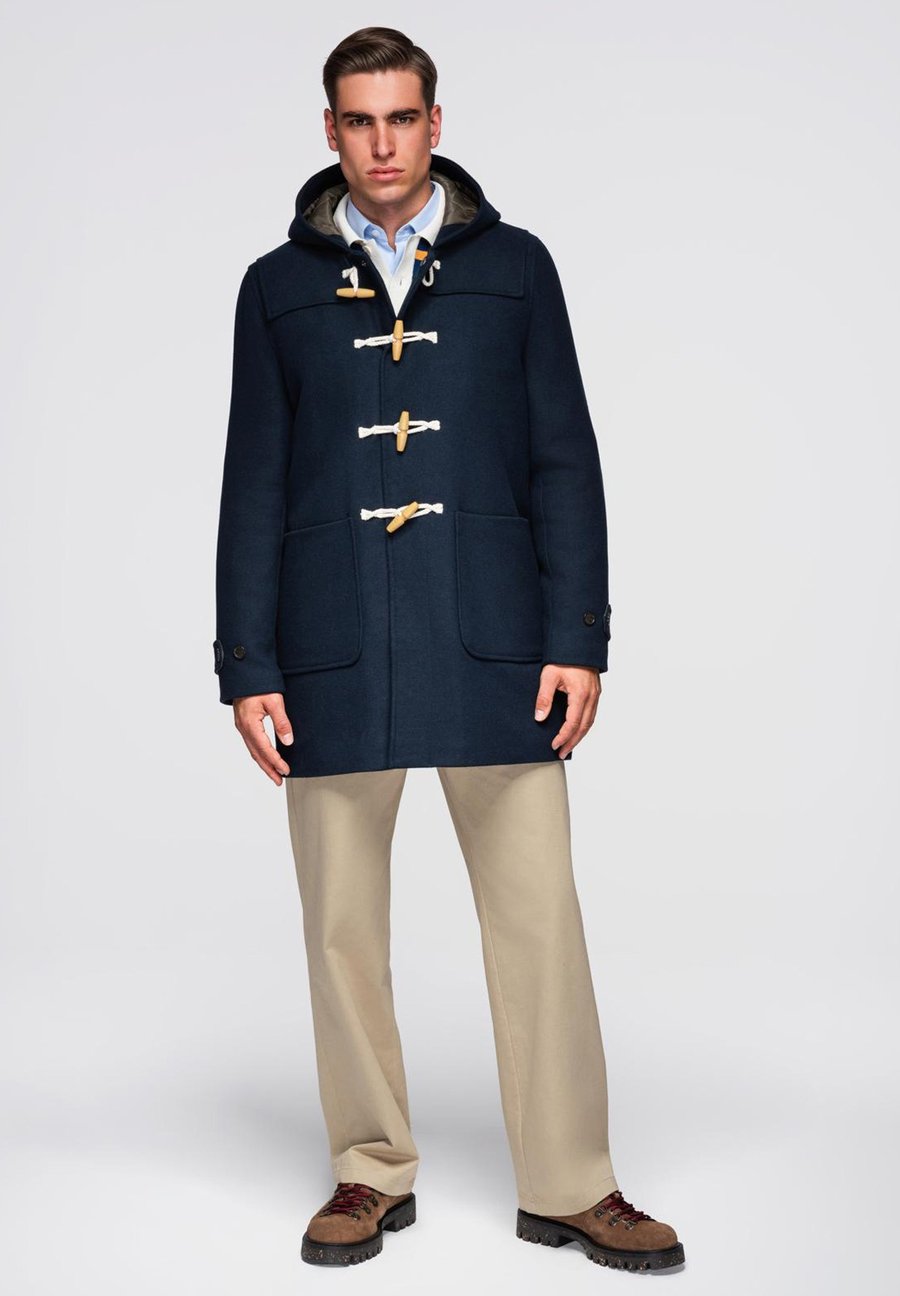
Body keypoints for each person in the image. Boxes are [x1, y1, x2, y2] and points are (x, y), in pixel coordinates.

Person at [213, 25, 685, 1273]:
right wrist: (248, 664)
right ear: (330, 130)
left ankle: (572, 1183)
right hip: (330, 641)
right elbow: (253, 480)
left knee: (540, 919)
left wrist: (578, 636)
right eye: (359, 121)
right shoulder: (276, 286)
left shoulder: (517, 268)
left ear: (435, 121)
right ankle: (369, 1169)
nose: (382, 144)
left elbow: (564, 458)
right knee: (340, 928)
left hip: (498, 638)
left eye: (402, 118)